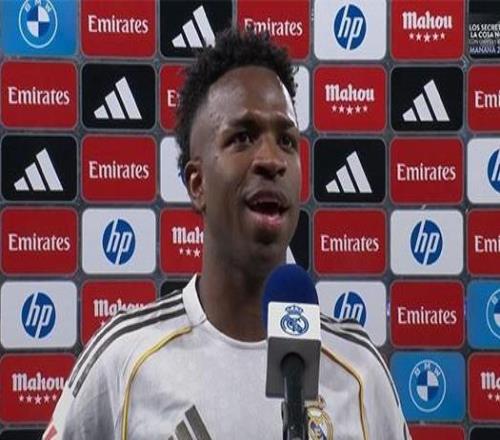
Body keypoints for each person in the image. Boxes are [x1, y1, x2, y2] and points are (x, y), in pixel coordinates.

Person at [44, 28, 410, 440]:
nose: (271, 159)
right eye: (243, 138)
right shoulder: (123, 362)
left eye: (286, 141)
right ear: (197, 184)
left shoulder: (359, 372)